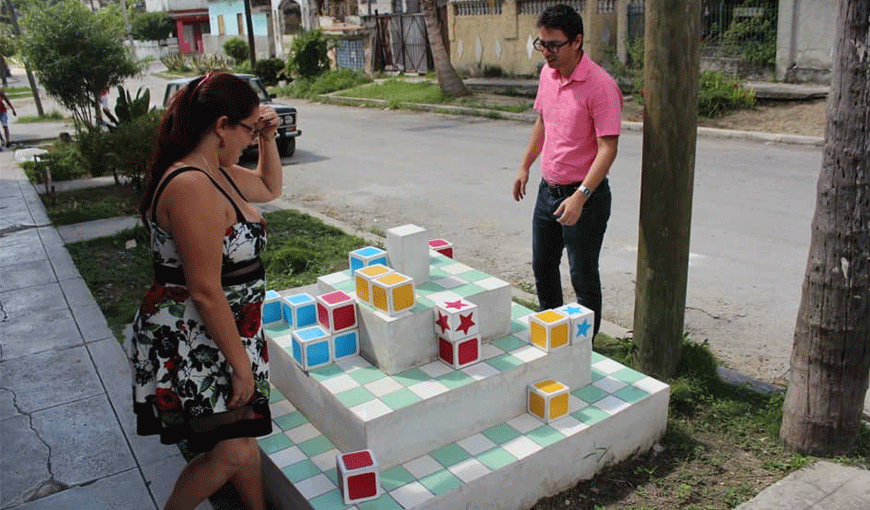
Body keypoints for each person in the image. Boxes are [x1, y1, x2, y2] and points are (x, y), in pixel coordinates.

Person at [131, 72, 282, 510]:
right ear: (221, 125)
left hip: (228, 333)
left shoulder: (215, 173)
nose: (251, 141)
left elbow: (270, 187)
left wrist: (268, 140)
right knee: (231, 449)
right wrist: (242, 368)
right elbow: (205, 291)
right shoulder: (192, 185)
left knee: (244, 436)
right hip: (196, 338)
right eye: (249, 131)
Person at [512, 4, 623, 337]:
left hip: (585, 198)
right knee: (543, 268)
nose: (546, 52)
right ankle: (553, 339)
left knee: (583, 276)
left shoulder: (600, 86)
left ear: (577, 41)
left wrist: (581, 196)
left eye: (553, 45)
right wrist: (525, 165)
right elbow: (543, 121)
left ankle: (584, 353)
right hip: (549, 192)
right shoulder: (548, 75)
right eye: (541, 43)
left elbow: (608, 149)